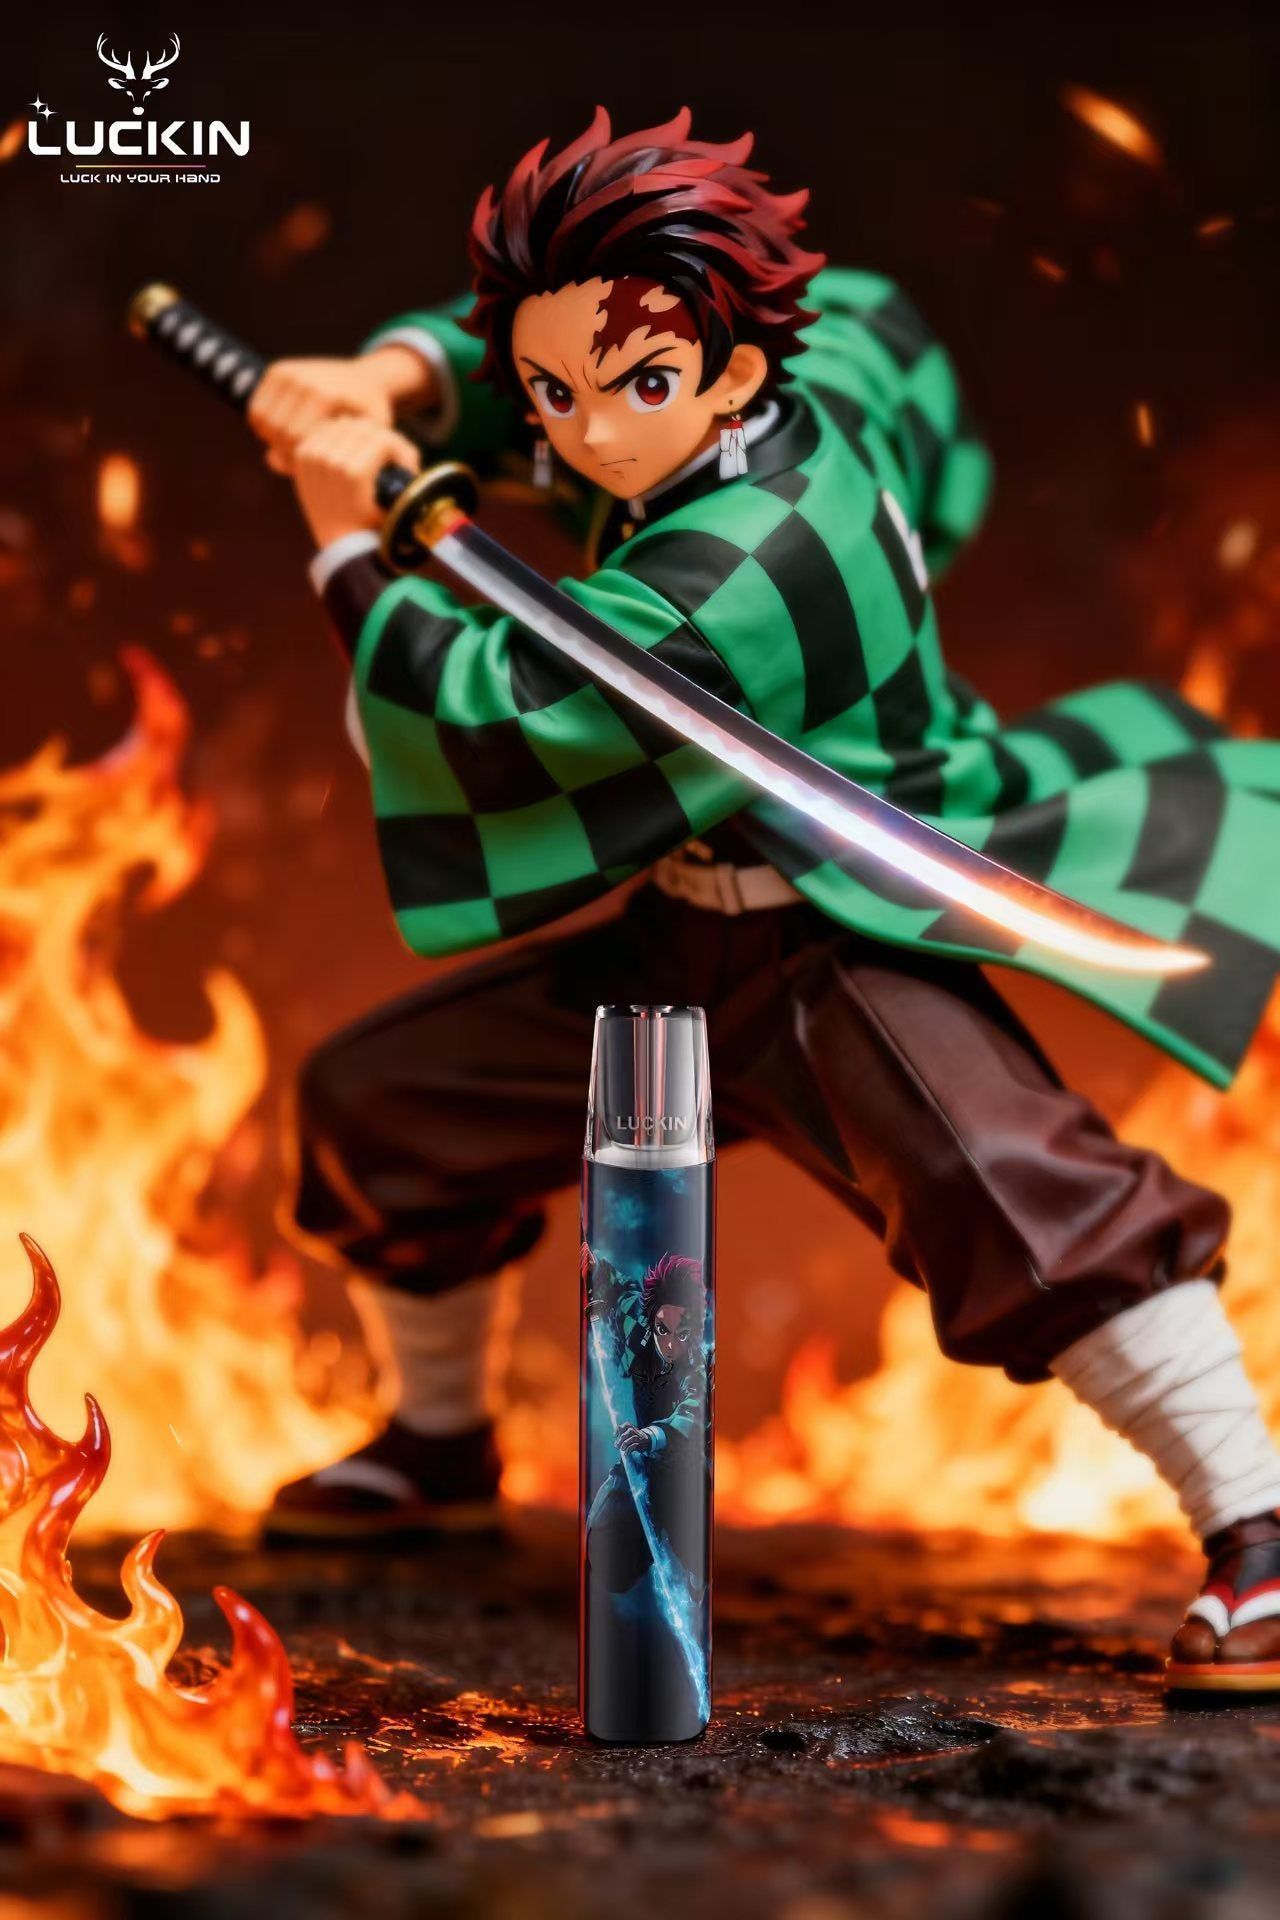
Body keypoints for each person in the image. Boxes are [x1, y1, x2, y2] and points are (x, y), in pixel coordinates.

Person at [248, 109, 1280, 1693]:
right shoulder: (811, 354)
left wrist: (341, 544)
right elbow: (832, 312)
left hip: (830, 928)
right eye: (552, 395)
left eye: (641, 389)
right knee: (385, 1113)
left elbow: (501, 712)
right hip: (676, 929)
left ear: (734, 374)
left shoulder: (752, 560)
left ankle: (1261, 1527)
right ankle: (439, 1446)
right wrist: (393, 378)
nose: (587, 437)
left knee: (1030, 1206)